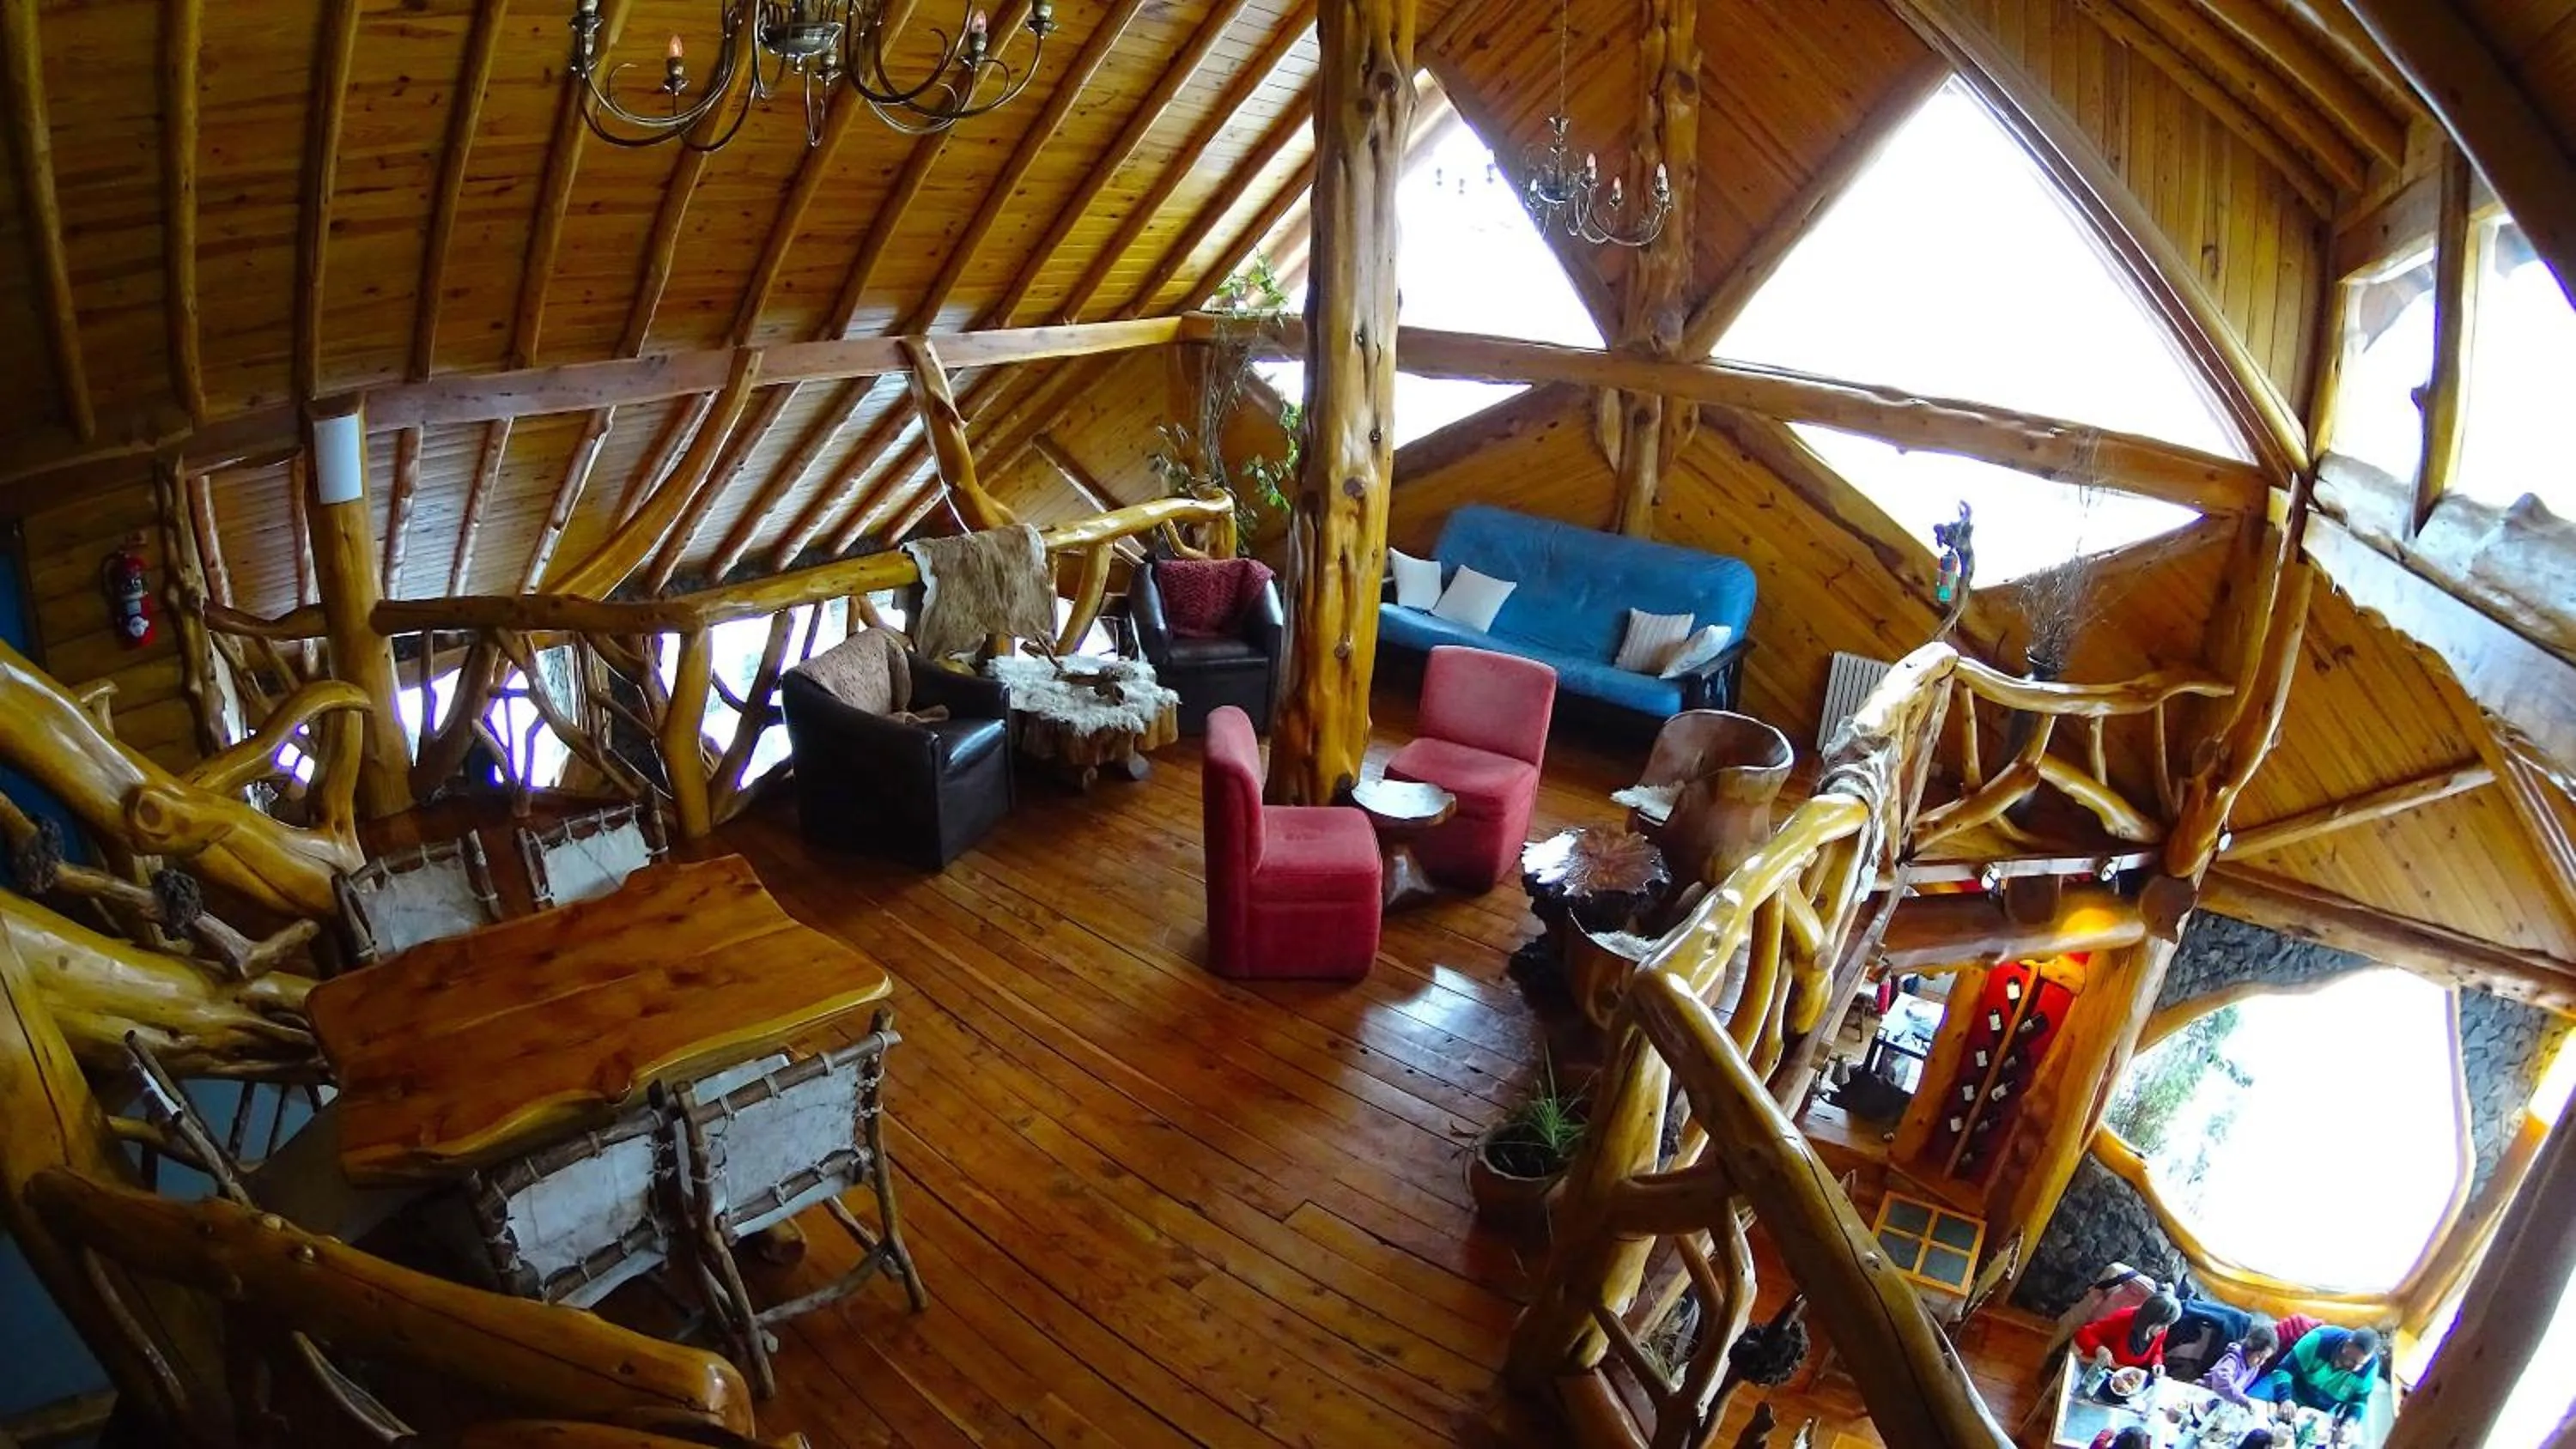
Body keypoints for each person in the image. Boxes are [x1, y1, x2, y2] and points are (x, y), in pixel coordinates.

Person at [2252, 1325, 2381, 1418]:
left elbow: (2359, 1402)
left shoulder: (2370, 1369)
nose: (2350, 1365)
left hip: (2319, 1410)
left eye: (2357, 1363)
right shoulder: (2319, 1339)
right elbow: (2284, 1370)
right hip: (2289, 1388)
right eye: (2348, 1358)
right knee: (2250, 1408)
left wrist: (2349, 1424)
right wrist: (2285, 1398)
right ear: (2346, 1344)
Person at [2072, 1291, 2183, 1371]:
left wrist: (2157, 1363)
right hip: (2103, 1369)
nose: (2164, 1329)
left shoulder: (2162, 1328)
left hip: (2128, 1374)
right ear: (2149, 1320)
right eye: (2161, 1325)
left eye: (2167, 1325)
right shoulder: (2123, 1319)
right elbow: (2083, 1333)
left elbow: (2157, 1349)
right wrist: (2099, 1348)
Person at [2199, 1320, 2281, 1406]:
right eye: (2259, 1357)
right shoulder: (2233, 1359)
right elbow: (2221, 1382)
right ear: (2251, 1347)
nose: (2261, 1363)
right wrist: (2241, 1399)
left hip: (2221, 1402)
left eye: (2265, 1359)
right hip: (2206, 1396)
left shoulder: (2254, 1368)